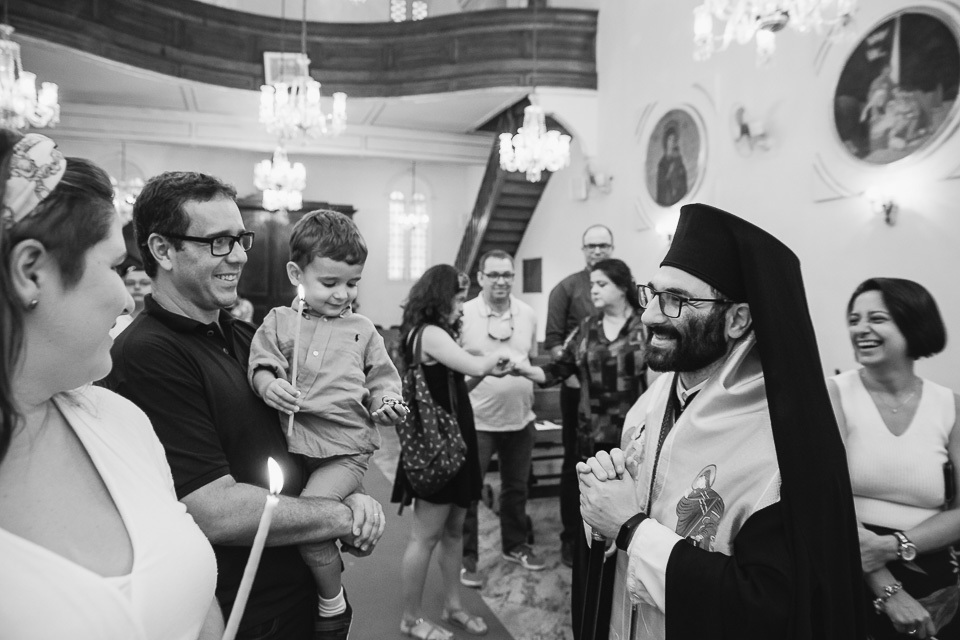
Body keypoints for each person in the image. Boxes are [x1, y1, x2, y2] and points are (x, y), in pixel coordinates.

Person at [102, 171, 385, 640]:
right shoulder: (149, 352)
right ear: (163, 250)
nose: (237, 255)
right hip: (245, 612)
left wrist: (341, 489)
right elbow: (213, 509)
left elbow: (296, 439)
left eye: (239, 239)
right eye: (217, 241)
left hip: (297, 585)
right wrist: (338, 516)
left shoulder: (245, 336)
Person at [577, 203, 865, 640]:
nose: (651, 314)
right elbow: (627, 514)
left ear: (737, 318)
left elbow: (769, 607)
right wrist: (603, 500)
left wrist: (630, 528)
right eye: (651, 294)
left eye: (676, 300)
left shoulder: (783, 441)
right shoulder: (653, 401)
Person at [0, 131, 221, 638]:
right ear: (30, 272)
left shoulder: (120, 420)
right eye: (116, 267)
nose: (128, 300)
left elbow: (194, 599)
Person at [248, 209, 406, 630]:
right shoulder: (279, 322)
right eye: (330, 283)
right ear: (296, 273)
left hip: (344, 452)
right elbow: (261, 365)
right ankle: (340, 550)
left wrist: (387, 402)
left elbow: (383, 380)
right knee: (302, 520)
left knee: (310, 523)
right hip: (294, 448)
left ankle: (333, 603)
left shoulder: (363, 329)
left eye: (352, 283)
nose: (342, 295)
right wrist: (268, 385)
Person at [515, 258, 647, 637]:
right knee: (591, 519)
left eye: (601, 284)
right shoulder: (587, 328)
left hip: (629, 441)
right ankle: (591, 598)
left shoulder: (643, 330)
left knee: (625, 516)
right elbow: (557, 368)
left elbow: (656, 387)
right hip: (591, 435)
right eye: (592, 284)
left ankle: (626, 587)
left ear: (622, 287)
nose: (594, 290)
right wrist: (523, 369)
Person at [828, 278, 960, 639]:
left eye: (877, 318)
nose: (860, 329)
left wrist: (893, 546)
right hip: (847, 562)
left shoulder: (951, 405)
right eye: (854, 319)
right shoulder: (834, 394)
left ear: (913, 323)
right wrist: (889, 591)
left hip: (931, 566)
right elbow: (825, 500)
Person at [392, 265, 513, 640]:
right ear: (440, 296)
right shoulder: (428, 333)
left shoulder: (431, 334)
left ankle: (453, 606)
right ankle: (410, 619)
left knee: (454, 531)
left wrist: (486, 370)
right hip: (438, 448)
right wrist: (498, 356)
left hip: (454, 442)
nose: (461, 305)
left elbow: (458, 380)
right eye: (458, 297)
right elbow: (476, 362)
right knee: (424, 536)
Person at [460, 249, 545, 588]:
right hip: (477, 420)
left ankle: (515, 545)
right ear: (480, 277)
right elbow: (455, 366)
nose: (501, 281)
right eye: (493, 275)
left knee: (516, 488)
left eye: (507, 275)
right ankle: (468, 558)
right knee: (469, 492)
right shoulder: (464, 314)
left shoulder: (527, 314)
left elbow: (533, 359)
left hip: (521, 419)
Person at [545, 224, 615, 570]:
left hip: (617, 400)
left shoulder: (624, 289)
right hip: (577, 395)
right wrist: (573, 377)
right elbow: (555, 343)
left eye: (603, 245)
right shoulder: (567, 288)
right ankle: (572, 538)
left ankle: (612, 532)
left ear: (612, 248)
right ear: (583, 249)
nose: (597, 251)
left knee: (615, 464)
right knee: (577, 464)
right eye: (591, 246)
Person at [110, 258, 151, 338]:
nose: (137, 287)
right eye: (130, 283)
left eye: (144, 283)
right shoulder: (112, 322)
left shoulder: (161, 320)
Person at [654, 125, 687, 207]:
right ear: (666, 141)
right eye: (670, 139)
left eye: (674, 139)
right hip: (667, 199)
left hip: (678, 198)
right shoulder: (662, 163)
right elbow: (661, 185)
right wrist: (670, 171)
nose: (672, 142)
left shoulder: (678, 159)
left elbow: (683, 179)